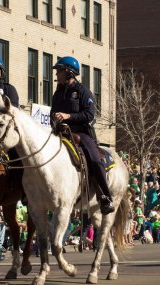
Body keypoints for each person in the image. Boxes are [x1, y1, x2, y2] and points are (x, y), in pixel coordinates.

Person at [50, 56, 114, 215]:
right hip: (60, 133)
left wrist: (68, 116)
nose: (57, 74)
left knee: (94, 159)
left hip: (81, 133)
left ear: (69, 72)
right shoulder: (57, 93)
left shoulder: (83, 92)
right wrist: (55, 118)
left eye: (59, 71)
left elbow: (89, 114)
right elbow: (52, 112)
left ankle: (105, 196)